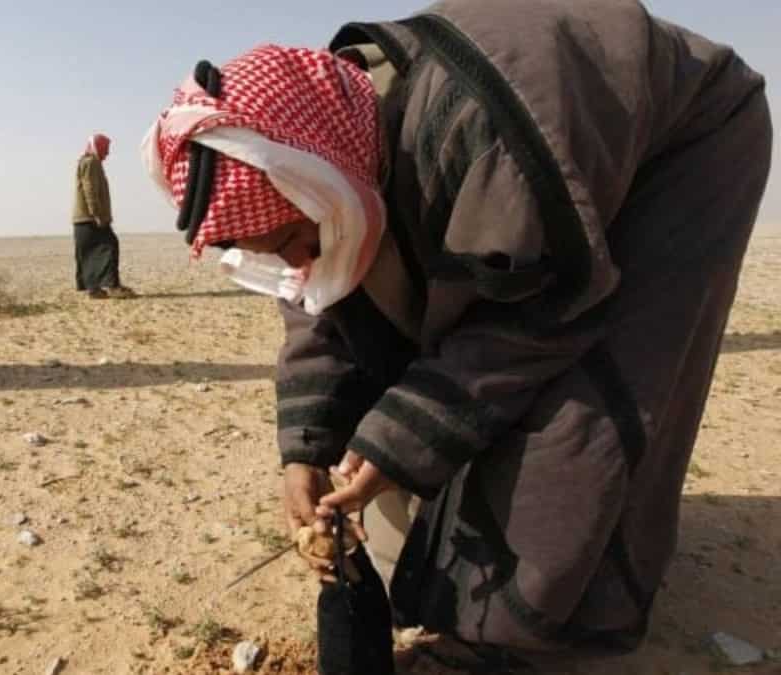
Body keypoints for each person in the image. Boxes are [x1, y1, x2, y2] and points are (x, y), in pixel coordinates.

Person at [142, 0, 771, 668]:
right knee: (412, 353)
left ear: (319, 185)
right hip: (543, 182)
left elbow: (533, 321)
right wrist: (305, 451)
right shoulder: (325, 155)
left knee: (589, 396)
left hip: (679, 151)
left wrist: (398, 441)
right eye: (278, 252)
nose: (296, 261)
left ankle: (512, 635)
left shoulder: (474, 134)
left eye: (296, 240)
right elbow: (320, 302)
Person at [73, 134, 134, 299]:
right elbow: (89, 189)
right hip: (90, 218)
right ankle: (112, 286)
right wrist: (96, 214)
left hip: (85, 218)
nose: (107, 152)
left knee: (91, 254)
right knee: (110, 246)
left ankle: (95, 290)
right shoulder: (91, 162)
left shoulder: (90, 162)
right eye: (105, 148)